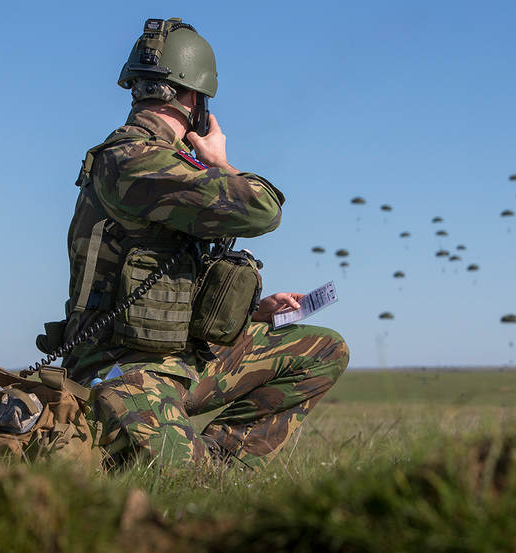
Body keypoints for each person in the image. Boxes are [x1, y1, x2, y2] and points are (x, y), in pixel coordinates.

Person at [46, 18, 349, 470]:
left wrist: (253, 313)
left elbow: (168, 277)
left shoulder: (160, 163)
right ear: (194, 98)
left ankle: (225, 467)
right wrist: (220, 163)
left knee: (322, 350)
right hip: (125, 368)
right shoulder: (135, 162)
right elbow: (263, 209)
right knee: (180, 479)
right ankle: (193, 465)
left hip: (178, 359)